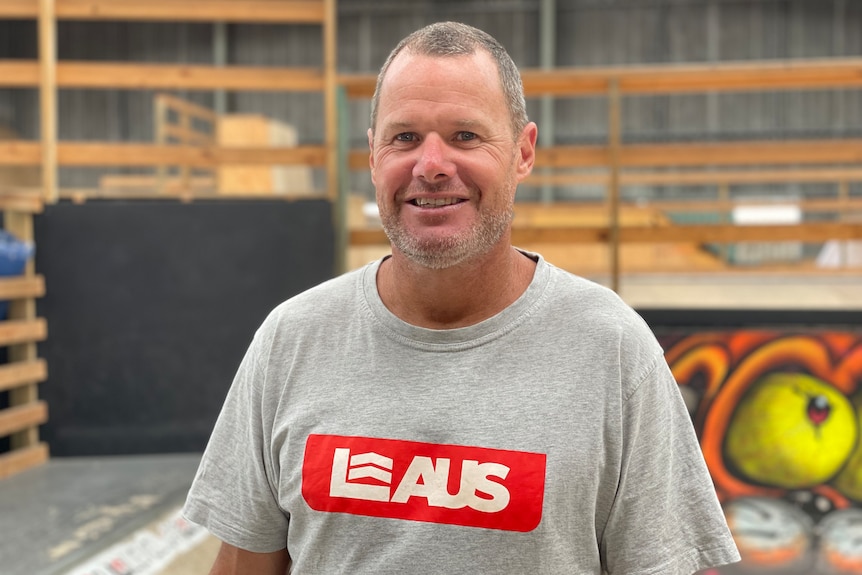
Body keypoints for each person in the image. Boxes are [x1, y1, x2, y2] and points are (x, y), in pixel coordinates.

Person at [183, 21, 740, 575]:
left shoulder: (611, 349)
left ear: (523, 153)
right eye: (404, 138)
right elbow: (244, 563)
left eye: (465, 136)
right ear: (373, 157)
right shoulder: (292, 339)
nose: (431, 165)